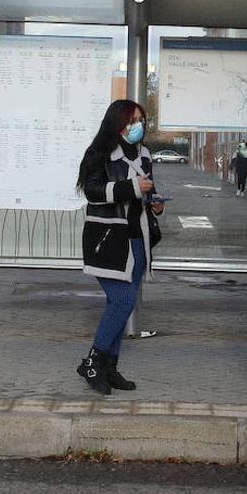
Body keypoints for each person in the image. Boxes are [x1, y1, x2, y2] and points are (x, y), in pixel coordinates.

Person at [75, 99, 164, 395]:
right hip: (108, 241)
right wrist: (133, 188)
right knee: (123, 300)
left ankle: (109, 368)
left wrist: (155, 203)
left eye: (140, 120)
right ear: (117, 123)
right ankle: (92, 363)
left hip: (138, 241)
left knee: (120, 305)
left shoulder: (145, 154)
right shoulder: (99, 153)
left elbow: (147, 191)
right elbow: (93, 191)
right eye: (131, 121)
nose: (137, 126)